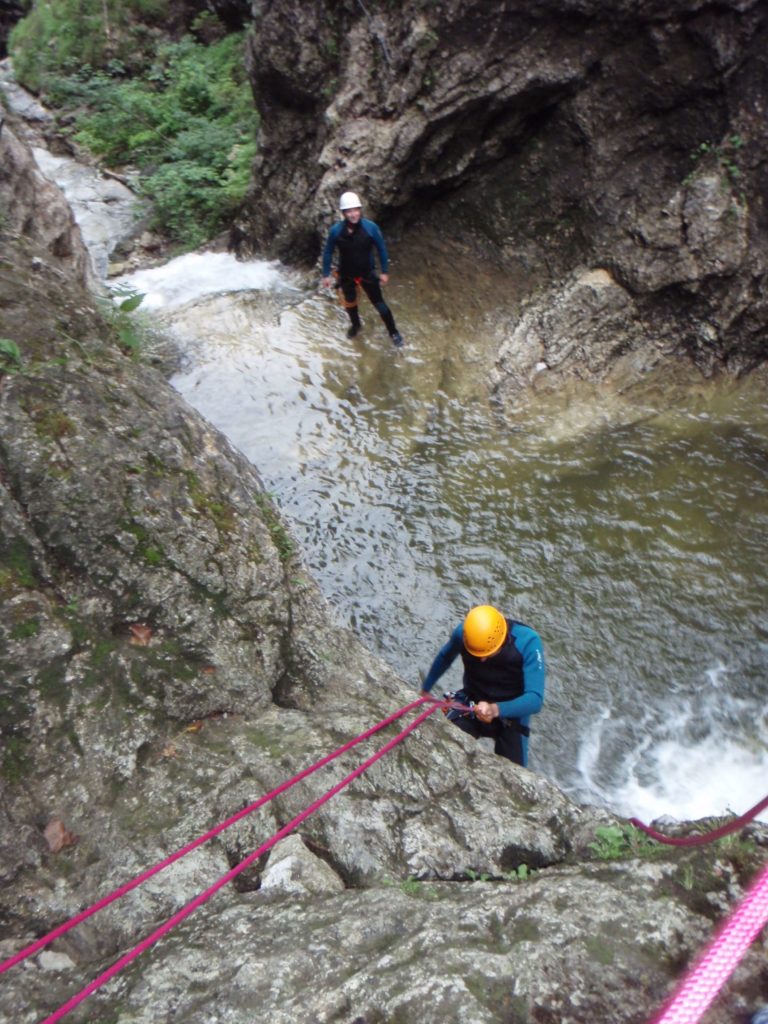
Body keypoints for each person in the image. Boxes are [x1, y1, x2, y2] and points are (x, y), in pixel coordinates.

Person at [421, 605, 545, 767]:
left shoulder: (528, 642)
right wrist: (426, 689)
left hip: (511, 714)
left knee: (515, 772)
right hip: (472, 702)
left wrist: (495, 709)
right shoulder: (465, 633)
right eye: (476, 653)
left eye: (487, 654)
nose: (482, 660)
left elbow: (535, 699)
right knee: (441, 750)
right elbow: (445, 657)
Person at [321, 191, 404, 347]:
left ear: (360, 210)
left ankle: (394, 332)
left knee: (379, 304)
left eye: (355, 210)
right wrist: (326, 274)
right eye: (349, 211)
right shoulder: (336, 231)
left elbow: (381, 249)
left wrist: (384, 271)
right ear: (343, 213)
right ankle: (356, 325)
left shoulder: (370, 228)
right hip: (346, 274)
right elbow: (328, 252)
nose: (353, 214)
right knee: (350, 303)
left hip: (367, 273)